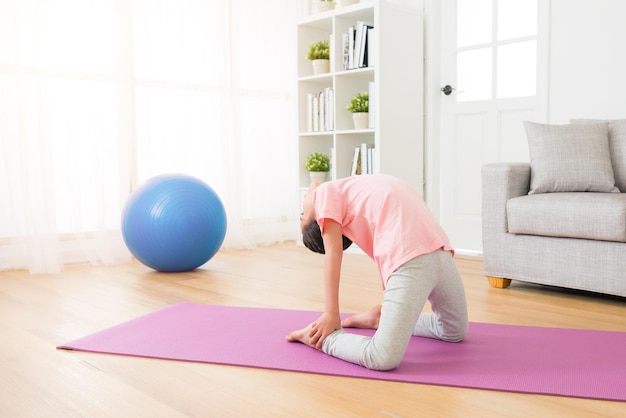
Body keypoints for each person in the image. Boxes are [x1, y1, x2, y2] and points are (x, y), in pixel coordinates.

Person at [286, 174, 468, 371]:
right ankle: (323, 339)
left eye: (300, 214)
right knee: (381, 357)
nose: (302, 207)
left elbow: (314, 185)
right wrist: (331, 315)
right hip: (412, 258)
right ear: (319, 221)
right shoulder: (326, 196)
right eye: (302, 215)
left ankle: (382, 318)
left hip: (439, 249)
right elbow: (333, 251)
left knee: (454, 331)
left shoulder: (332, 191)